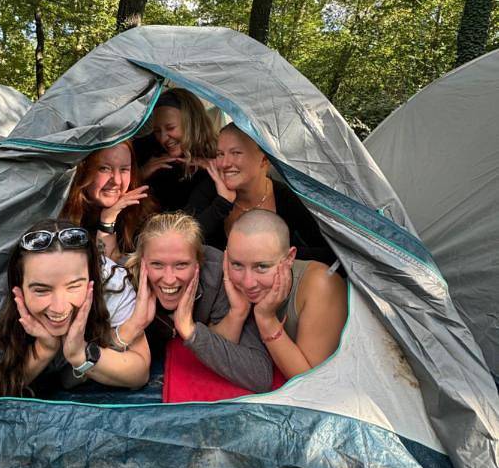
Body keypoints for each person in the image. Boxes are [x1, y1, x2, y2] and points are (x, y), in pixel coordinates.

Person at [0, 219, 151, 397]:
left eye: (74, 286)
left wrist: (80, 354)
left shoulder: (111, 285)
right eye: (41, 290)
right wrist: (44, 349)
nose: (59, 307)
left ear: (92, 278)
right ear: (19, 286)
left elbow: (139, 372)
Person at [117, 211, 273, 393]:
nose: (169, 279)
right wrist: (134, 323)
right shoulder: (122, 280)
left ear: (198, 262)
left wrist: (190, 330)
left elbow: (259, 375)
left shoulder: (218, 275)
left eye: (181, 265)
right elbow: (92, 354)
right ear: (142, 262)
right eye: (157, 264)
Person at [224, 209, 347, 381]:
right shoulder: (231, 280)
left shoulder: (321, 285)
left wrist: (266, 319)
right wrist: (238, 312)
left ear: (289, 258)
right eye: (237, 264)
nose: (248, 282)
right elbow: (222, 349)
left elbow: (310, 382)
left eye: (262, 266)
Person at [216, 123, 335, 263]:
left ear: (264, 159)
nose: (224, 164)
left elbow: (329, 253)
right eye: (220, 154)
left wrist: (278, 254)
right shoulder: (211, 193)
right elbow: (190, 244)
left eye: (236, 153)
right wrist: (220, 206)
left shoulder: (286, 198)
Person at [134, 88, 234, 246]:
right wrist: (140, 175)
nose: (163, 138)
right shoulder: (149, 155)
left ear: (192, 123)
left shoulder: (219, 159)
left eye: (170, 128)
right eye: (157, 131)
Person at [61, 141, 154, 260]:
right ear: (84, 170)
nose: (117, 181)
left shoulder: (142, 215)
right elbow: (101, 273)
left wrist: (107, 221)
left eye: (124, 169)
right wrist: (107, 222)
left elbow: (114, 273)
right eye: (104, 169)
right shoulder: (63, 216)